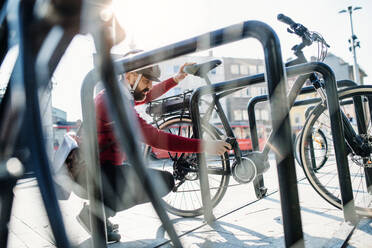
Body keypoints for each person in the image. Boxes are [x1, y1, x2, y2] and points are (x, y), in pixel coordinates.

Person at [76, 57, 232, 242]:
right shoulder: (114, 102)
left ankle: (98, 214)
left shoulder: (118, 94)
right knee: (163, 181)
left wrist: (177, 78)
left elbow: (147, 96)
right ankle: (95, 215)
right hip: (94, 174)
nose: (149, 86)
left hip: (96, 170)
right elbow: (155, 138)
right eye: (146, 80)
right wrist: (204, 146)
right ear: (131, 75)